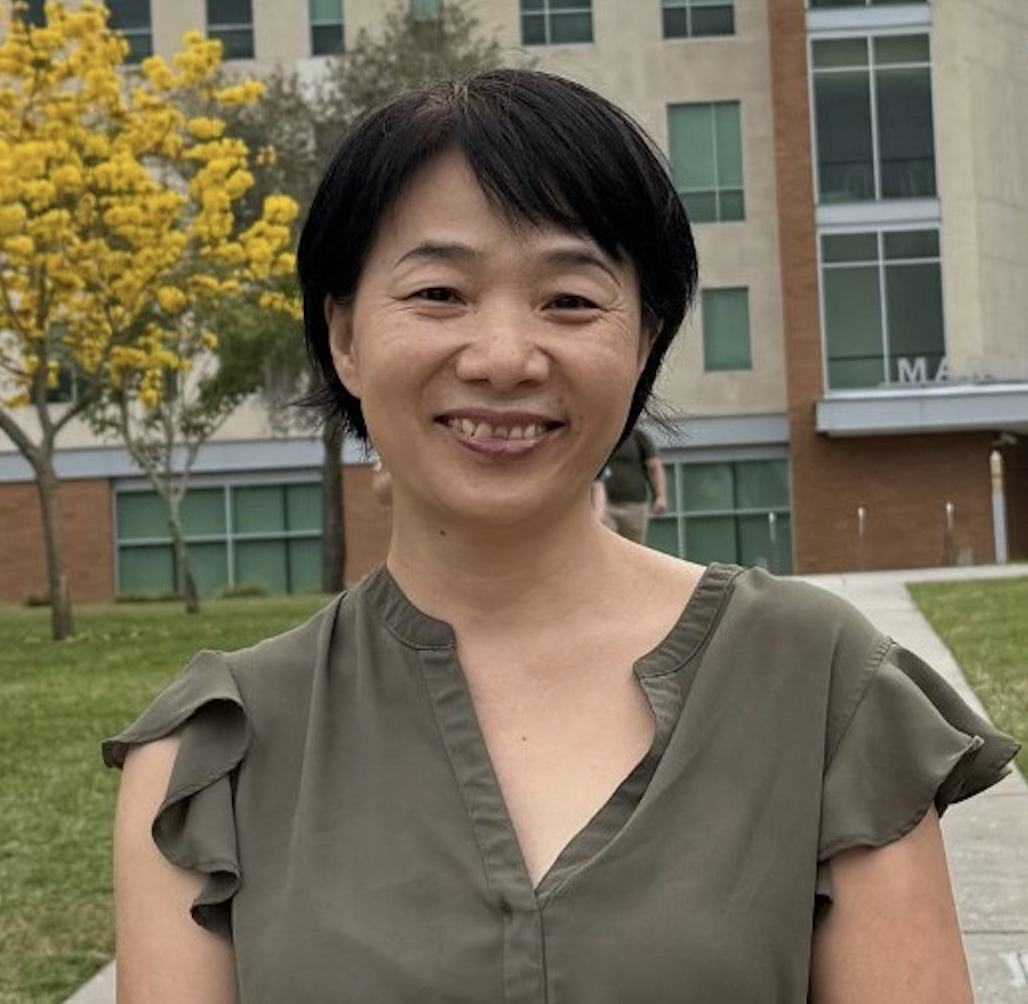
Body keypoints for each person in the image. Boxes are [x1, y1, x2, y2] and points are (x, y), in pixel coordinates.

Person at [104, 68, 1019, 1004]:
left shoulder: (823, 688)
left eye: (570, 301)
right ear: (343, 336)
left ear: (644, 338)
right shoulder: (212, 759)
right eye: (438, 294)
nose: (503, 358)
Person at [601, 424, 667, 543]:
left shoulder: (638, 436)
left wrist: (660, 497)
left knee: (632, 548)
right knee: (607, 546)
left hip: (634, 506)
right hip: (605, 506)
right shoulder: (600, 436)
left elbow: (654, 467)